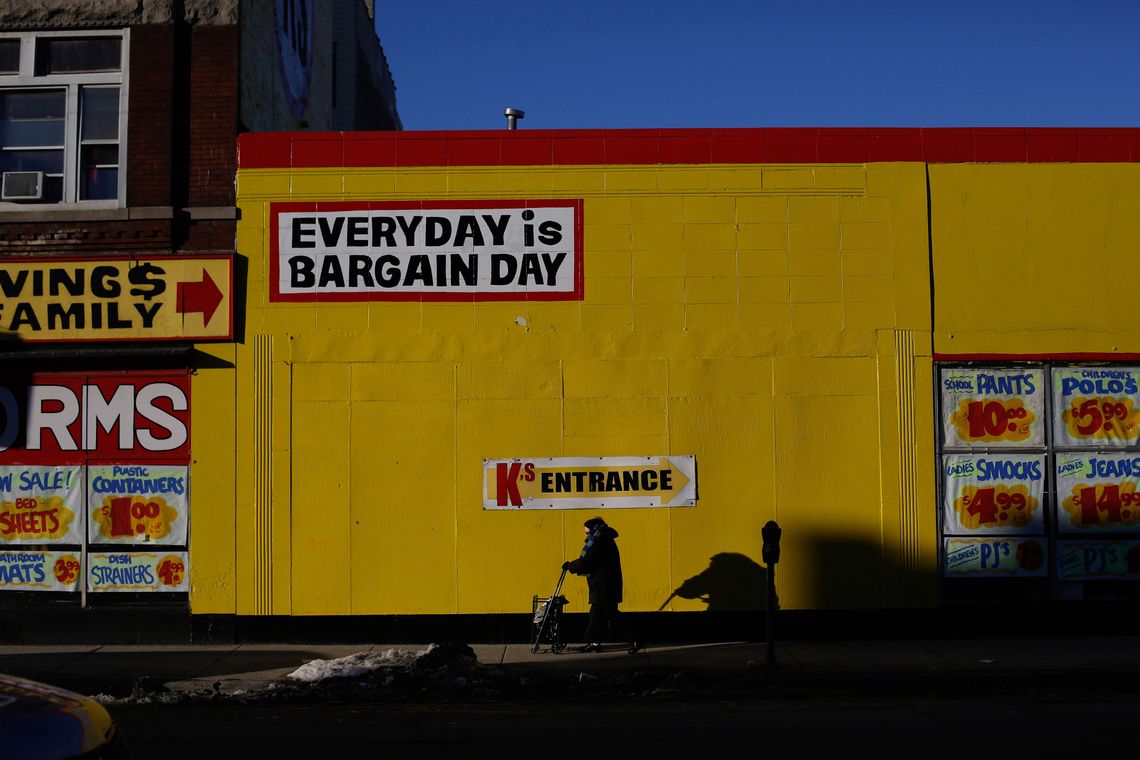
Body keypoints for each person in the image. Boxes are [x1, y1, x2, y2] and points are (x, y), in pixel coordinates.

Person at [562, 517, 642, 654]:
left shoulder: (601, 542)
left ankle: (635, 639)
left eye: (587, 533)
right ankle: (594, 643)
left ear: (594, 531)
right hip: (603, 584)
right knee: (596, 615)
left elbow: (589, 561)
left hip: (604, 586)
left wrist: (571, 566)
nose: (586, 535)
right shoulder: (602, 539)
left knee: (612, 616)